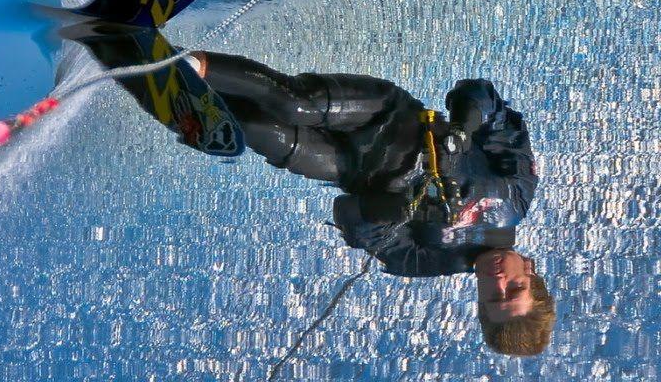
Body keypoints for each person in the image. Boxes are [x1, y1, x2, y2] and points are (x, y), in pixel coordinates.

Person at [65, 25, 556, 355]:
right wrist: (464, 129)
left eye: (493, 298)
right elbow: (484, 97)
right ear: (530, 276)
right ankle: (186, 65)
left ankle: (128, 64)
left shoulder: (426, 262)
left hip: (345, 164)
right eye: (513, 289)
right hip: (387, 116)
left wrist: (394, 211)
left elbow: (350, 216)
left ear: (480, 303)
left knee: (256, 132)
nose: (498, 283)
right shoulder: (516, 192)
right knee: (291, 105)